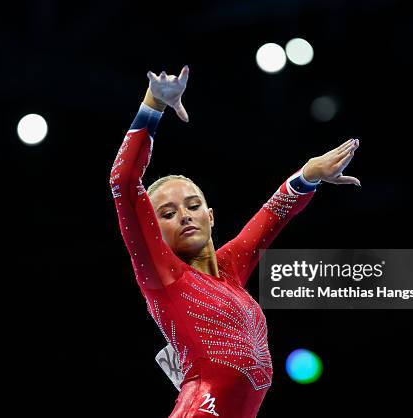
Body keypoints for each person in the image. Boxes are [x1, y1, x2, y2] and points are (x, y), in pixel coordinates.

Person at [110, 65, 360, 417]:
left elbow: (270, 219)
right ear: (155, 234)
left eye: (193, 206)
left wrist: (309, 176)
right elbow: (123, 181)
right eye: (166, 214)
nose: (183, 215)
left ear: (210, 217)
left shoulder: (229, 272)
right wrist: (154, 104)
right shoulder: (164, 277)